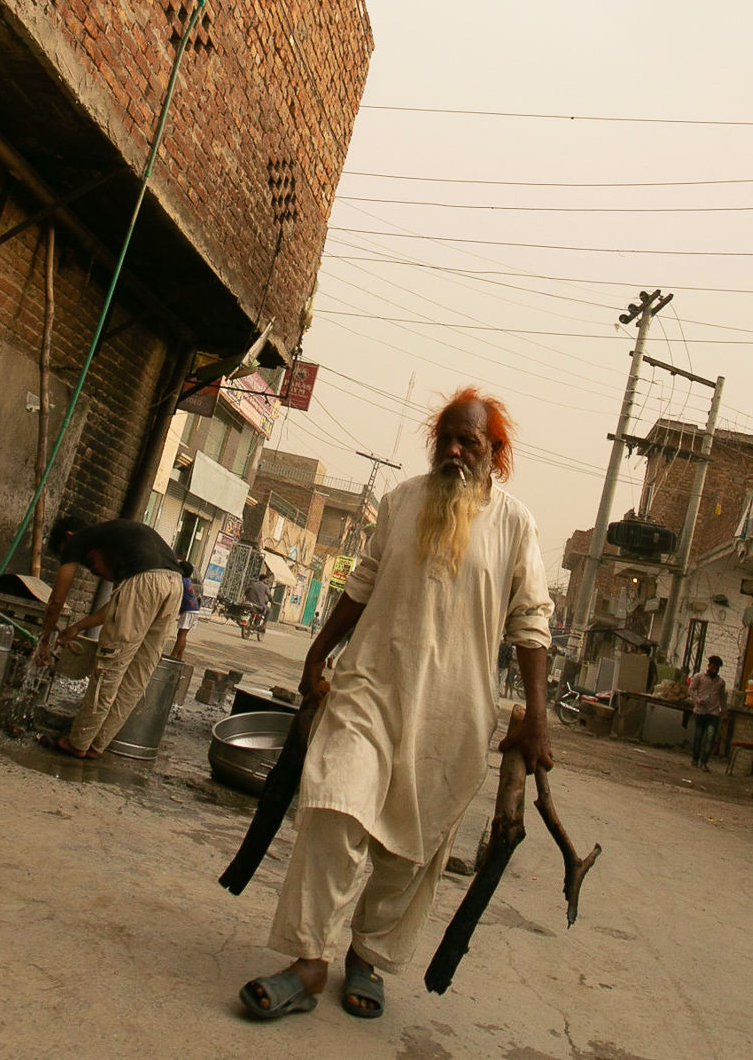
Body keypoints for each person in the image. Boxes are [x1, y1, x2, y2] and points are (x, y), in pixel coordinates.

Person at [239, 387, 552, 1022]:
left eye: (471, 442)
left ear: (497, 454)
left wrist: (539, 719)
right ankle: (307, 960)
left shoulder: (516, 525)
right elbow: (361, 585)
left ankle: (367, 957)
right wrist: (316, 653)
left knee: (409, 847)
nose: (456, 451)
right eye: (448, 440)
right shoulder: (400, 502)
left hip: (453, 712)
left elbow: (532, 625)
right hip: (371, 687)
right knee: (334, 806)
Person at [35, 516, 184, 759]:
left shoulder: (78, 539)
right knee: (137, 674)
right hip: (174, 585)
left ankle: (78, 741)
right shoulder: (125, 542)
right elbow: (122, 604)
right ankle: (96, 744)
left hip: (146, 583)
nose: (89, 568)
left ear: (69, 538)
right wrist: (77, 627)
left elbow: (57, 600)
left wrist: (44, 639)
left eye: (79, 560)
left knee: (108, 670)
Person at [684, 656, 727, 770]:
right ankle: (695, 759)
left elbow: (722, 699)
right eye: (712, 667)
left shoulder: (721, 683)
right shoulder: (699, 677)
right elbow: (691, 690)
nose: (713, 670)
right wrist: (698, 700)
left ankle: (704, 761)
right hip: (700, 712)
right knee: (698, 736)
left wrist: (724, 713)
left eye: (716, 668)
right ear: (708, 666)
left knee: (710, 738)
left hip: (713, 714)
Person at [171, 558, 200, 660]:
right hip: (194, 608)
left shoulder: (181, 581)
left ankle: (173, 655)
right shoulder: (188, 581)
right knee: (183, 634)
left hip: (189, 609)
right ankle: (180, 656)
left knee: (181, 634)